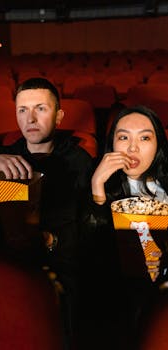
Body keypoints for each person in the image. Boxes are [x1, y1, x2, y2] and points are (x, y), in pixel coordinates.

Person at [0, 77, 94, 350]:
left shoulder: (79, 160)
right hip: (10, 260)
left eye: (41, 108)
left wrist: (53, 240)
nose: (30, 118)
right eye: (22, 110)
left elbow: (87, 222)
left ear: (59, 116)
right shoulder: (3, 155)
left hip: (62, 262)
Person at [85, 105, 168, 349]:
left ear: (158, 145)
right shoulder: (93, 182)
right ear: (112, 145)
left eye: (144, 138)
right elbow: (90, 251)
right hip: (120, 295)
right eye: (123, 138)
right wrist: (98, 186)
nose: (133, 148)